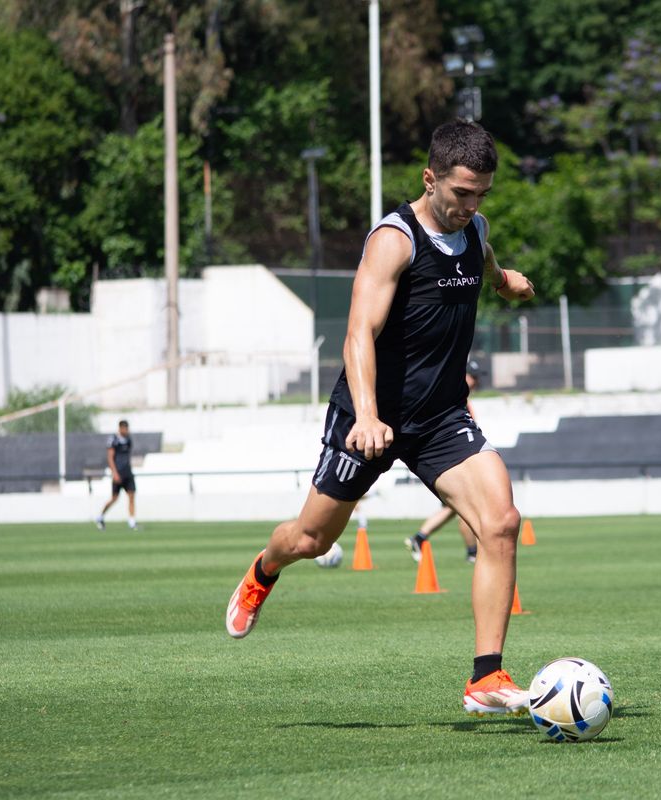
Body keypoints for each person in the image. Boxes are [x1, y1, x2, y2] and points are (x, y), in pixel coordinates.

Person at [225, 120, 536, 716]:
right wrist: (366, 415)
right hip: (370, 417)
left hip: (440, 417)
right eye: (461, 193)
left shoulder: (475, 230)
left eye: (482, 196)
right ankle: (264, 570)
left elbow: (481, 256)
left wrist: (501, 281)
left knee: (500, 521)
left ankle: (486, 678)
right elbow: (359, 334)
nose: (470, 207)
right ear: (430, 178)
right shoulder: (394, 240)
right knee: (312, 539)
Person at [405, 361, 486, 564]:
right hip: (453, 462)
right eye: (473, 377)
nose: (476, 382)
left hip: (450, 460)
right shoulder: (454, 398)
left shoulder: (456, 397)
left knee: (454, 508)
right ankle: (472, 553)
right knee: (463, 507)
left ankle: (420, 538)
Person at [96, 420, 138, 530]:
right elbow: (110, 457)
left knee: (132, 495)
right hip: (117, 473)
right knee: (114, 498)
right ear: (120, 428)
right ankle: (100, 516)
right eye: (125, 429)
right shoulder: (113, 440)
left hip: (127, 472)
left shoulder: (128, 439)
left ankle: (132, 522)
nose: (126, 431)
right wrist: (114, 473)